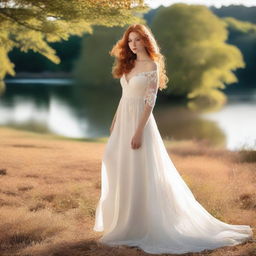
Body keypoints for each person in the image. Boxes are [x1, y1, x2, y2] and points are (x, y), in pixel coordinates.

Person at [93, 24, 253, 254]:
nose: (133, 44)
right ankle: (124, 220)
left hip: (140, 124)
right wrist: (115, 121)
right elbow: (124, 97)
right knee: (115, 163)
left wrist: (138, 131)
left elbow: (149, 102)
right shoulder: (129, 64)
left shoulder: (152, 66)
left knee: (141, 170)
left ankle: (140, 225)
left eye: (138, 40)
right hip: (123, 122)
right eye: (130, 40)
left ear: (146, 41)